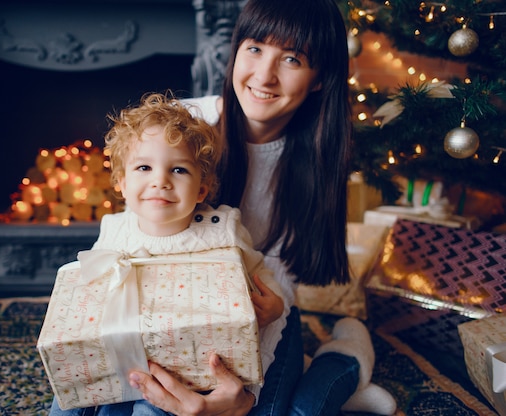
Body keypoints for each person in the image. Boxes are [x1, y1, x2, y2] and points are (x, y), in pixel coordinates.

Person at [120, 0, 398, 415]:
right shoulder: (182, 126)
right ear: (236, 52)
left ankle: (343, 358)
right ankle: (302, 373)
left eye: (291, 58)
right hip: (171, 313)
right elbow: (137, 226)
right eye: (254, 48)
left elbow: (284, 269)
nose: (264, 75)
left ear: (319, 77)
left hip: (263, 315)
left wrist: (269, 316)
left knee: (300, 411)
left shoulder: (316, 155)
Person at [48, 92, 286, 416]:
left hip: (188, 365)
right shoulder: (115, 229)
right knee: (69, 402)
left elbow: (260, 271)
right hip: (125, 352)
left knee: (152, 410)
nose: (160, 181)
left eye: (179, 171)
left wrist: (272, 305)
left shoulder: (222, 228)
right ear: (121, 182)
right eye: (144, 167)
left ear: (201, 189)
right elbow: (94, 288)